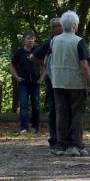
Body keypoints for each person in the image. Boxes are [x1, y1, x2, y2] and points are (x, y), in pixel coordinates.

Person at [49, 10, 90, 156]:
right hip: (76, 83)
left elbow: (49, 61)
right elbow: (84, 65)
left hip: (58, 82)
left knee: (61, 113)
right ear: (75, 25)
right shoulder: (79, 41)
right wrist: (89, 85)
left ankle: (60, 145)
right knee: (77, 114)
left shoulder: (54, 40)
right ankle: (77, 145)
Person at [32, 18, 63, 151]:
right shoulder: (49, 42)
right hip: (52, 81)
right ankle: (54, 137)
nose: (62, 27)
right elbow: (33, 57)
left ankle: (64, 137)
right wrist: (45, 64)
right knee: (53, 109)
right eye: (59, 26)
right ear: (54, 27)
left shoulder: (66, 39)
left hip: (64, 79)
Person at [10, 32, 40, 135]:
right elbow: (12, 65)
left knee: (36, 105)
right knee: (23, 105)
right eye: (28, 38)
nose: (31, 40)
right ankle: (24, 128)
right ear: (24, 40)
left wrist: (42, 78)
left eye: (32, 38)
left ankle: (35, 127)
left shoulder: (37, 51)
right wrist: (16, 77)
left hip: (35, 82)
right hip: (23, 83)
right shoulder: (19, 52)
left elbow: (45, 63)